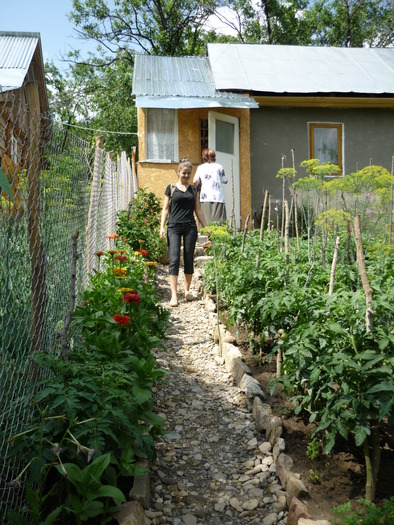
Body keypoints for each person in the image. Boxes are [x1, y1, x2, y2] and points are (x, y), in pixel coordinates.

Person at [160, 158, 207, 307]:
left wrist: (206, 227)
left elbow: (198, 209)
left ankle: (186, 291)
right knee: (174, 259)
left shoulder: (194, 189)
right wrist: (162, 227)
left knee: (188, 258)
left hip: (190, 227)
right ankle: (174, 296)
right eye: (184, 173)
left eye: (189, 173)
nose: (186, 175)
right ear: (178, 172)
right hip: (173, 227)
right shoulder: (171, 188)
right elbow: (166, 209)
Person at [193, 148, 228, 224]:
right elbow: (225, 180)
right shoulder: (219, 167)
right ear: (214, 156)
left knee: (206, 220)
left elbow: (195, 181)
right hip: (218, 196)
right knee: (219, 221)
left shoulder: (200, 167)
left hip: (205, 197)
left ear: (204, 157)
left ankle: (206, 234)